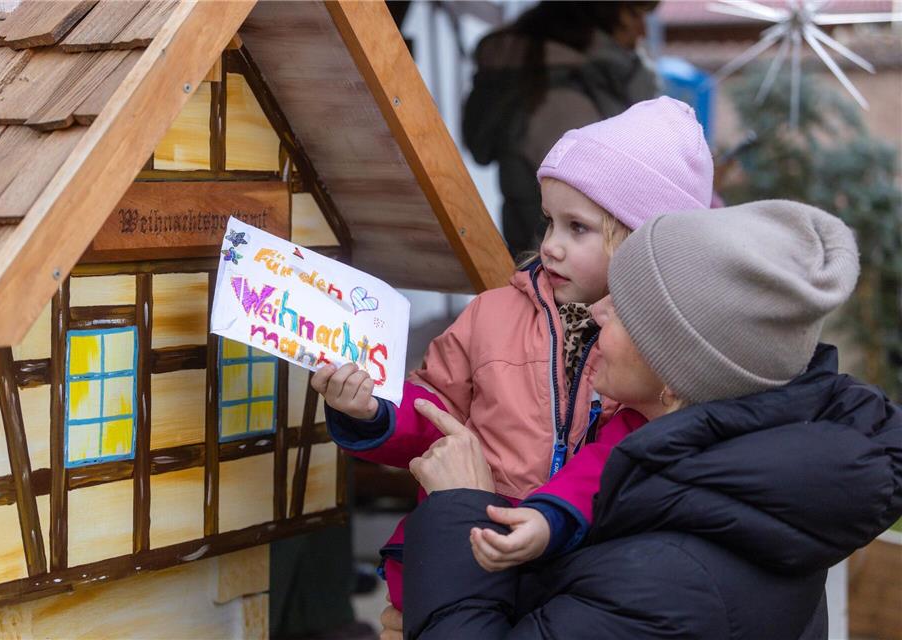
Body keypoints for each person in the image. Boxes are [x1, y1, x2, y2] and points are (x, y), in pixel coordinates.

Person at [383, 199, 902, 639]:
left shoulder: (665, 579)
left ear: (675, 371)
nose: (598, 312)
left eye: (626, 308)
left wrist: (458, 512)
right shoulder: (713, 485)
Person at [312, 97, 713, 611]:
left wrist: (551, 518)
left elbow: (628, 453)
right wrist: (373, 411)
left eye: (579, 228)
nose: (550, 246)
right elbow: (434, 416)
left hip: (584, 576)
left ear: (640, 243)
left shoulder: (654, 350)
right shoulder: (491, 315)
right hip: (464, 550)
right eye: (550, 222)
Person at [462, 1, 659, 257]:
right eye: (635, 14)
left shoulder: (542, 80)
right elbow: (606, 206)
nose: (642, 30)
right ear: (599, 12)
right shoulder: (566, 97)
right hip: (564, 277)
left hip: (533, 262)